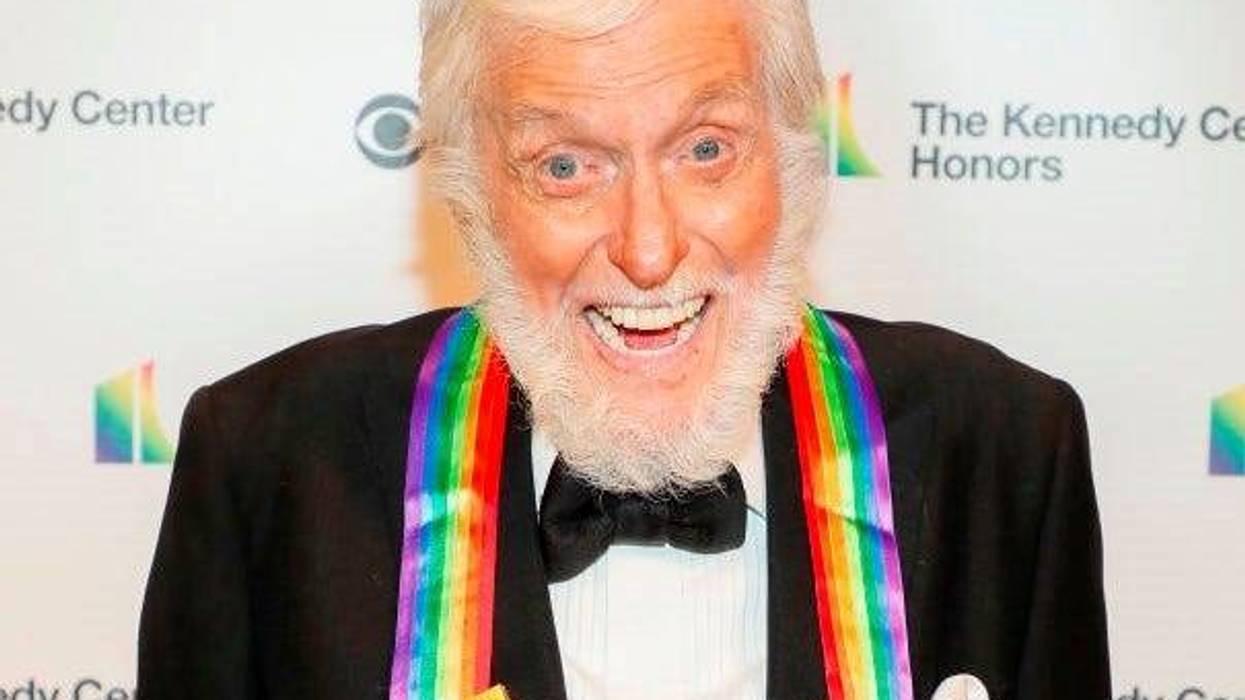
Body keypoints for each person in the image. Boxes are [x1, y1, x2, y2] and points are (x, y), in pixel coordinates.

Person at [137, 1, 1110, 698]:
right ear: (473, 187)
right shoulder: (268, 465)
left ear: (794, 154)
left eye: (706, 149)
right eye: (566, 165)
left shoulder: (1007, 454)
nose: (649, 249)